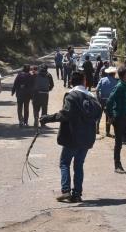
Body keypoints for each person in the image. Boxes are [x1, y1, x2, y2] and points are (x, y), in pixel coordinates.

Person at [40, 71, 103, 203]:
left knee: (64, 163)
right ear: (84, 81)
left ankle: (66, 191)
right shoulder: (92, 97)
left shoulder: (71, 96)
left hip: (72, 137)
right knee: (79, 165)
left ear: (70, 82)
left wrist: (47, 118)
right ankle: (77, 194)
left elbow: (65, 115)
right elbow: (98, 115)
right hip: (87, 138)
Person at [95, 66, 118, 136]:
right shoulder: (116, 81)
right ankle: (107, 132)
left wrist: (98, 98)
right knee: (108, 116)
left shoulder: (102, 79)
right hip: (111, 101)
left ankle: (97, 129)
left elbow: (96, 90)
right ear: (114, 73)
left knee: (99, 114)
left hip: (102, 99)